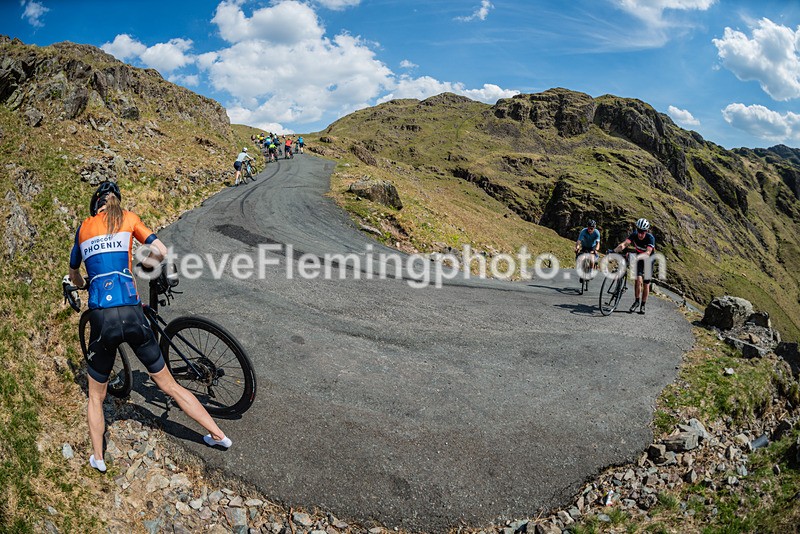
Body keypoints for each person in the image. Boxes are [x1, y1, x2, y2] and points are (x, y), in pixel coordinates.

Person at [68, 181, 232, 473]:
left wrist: (83, 284)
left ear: (96, 205)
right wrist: (144, 269)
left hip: (102, 319)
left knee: (96, 395)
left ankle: (99, 458)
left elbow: (76, 277)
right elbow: (160, 250)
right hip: (132, 313)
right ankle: (219, 436)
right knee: (168, 385)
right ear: (117, 202)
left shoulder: (83, 228)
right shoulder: (128, 218)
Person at [613, 217, 655, 314]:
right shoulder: (634, 235)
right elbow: (624, 244)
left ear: (646, 231)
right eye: (639, 231)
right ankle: (636, 301)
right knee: (638, 280)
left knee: (646, 283)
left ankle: (643, 305)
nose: (640, 234)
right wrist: (614, 251)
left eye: (643, 232)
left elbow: (648, 253)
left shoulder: (650, 238)